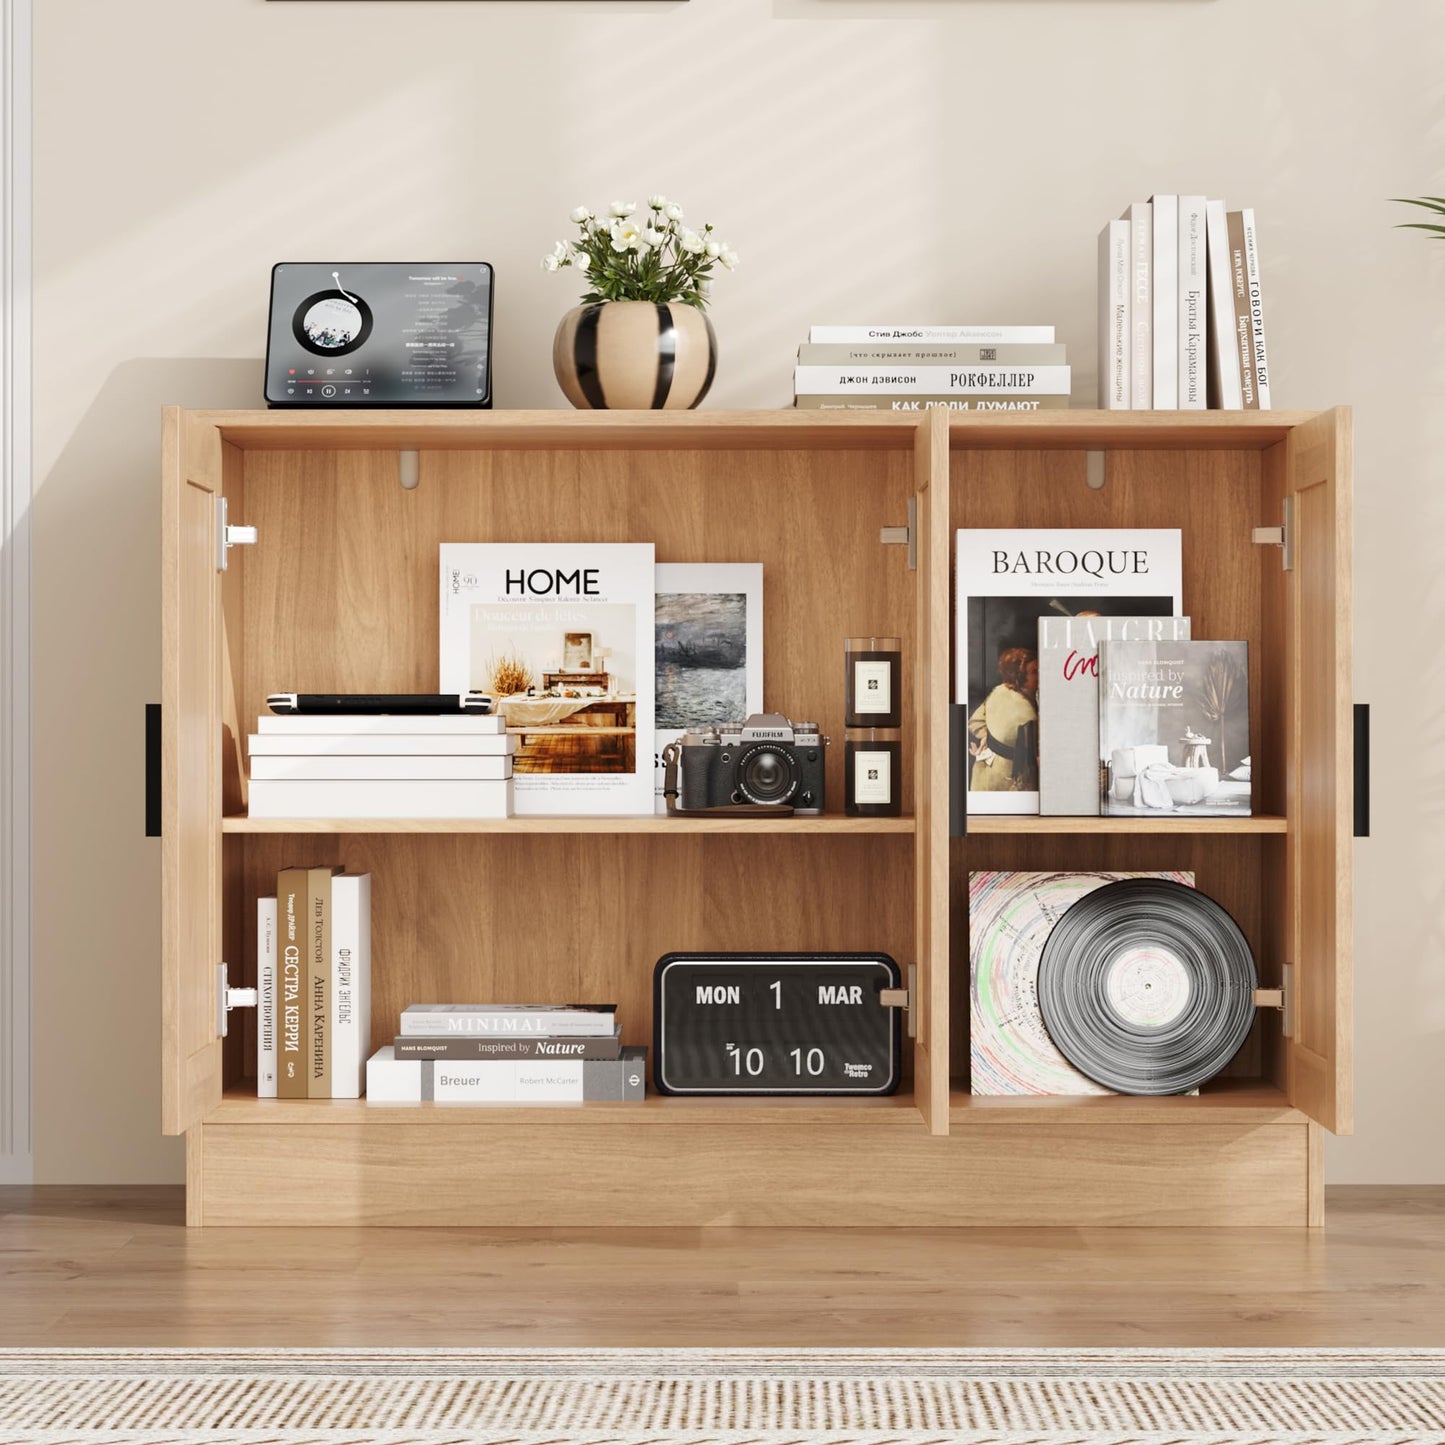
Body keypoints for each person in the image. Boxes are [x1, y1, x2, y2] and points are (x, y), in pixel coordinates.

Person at [968, 647, 1039, 792]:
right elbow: (1035, 757)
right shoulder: (1027, 715)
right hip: (1006, 781)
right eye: (1034, 672)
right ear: (1019, 677)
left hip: (984, 770)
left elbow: (975, 721)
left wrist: (988, 737)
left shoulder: (999, 690)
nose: (1040, 675)